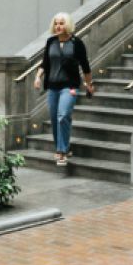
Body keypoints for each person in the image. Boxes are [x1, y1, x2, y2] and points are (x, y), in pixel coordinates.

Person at [33, 13, 93, 167]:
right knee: (54, 119)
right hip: (52, 87)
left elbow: (85, 67)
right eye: (56, 23)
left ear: (68, 25)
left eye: (61, 23)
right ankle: (64, 146)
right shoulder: (51, 41)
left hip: (70, 86)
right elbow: (45, 63)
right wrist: (38, 77)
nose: (58, 26)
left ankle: (61, 152)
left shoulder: (76, 43)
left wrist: (89, 85)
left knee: (63, 115)